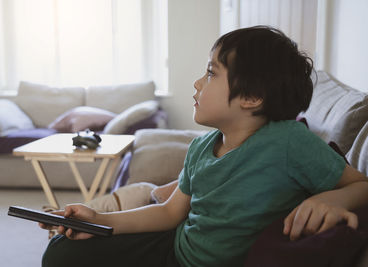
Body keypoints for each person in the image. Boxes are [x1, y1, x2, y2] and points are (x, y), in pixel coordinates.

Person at [39, 26, 368, 267]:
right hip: (177, 249)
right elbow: (169, 212)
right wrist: (98, 218)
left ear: (252, 98)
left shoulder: (289, 142)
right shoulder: (201, 148)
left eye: (211, 73)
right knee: (62, 253)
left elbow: (361, 185)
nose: (198, 82)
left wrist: (331, 197)